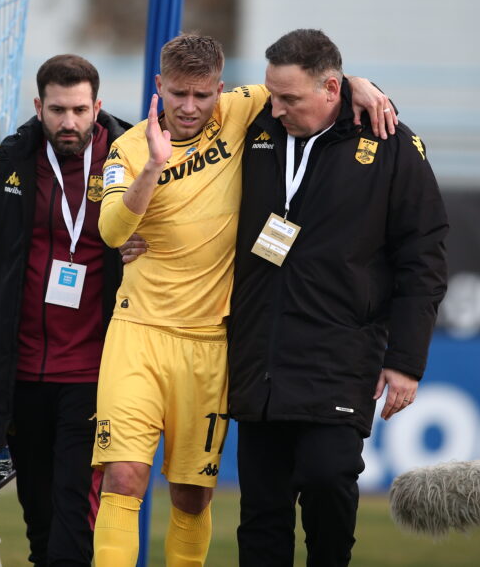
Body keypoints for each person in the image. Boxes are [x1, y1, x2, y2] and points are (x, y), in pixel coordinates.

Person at [93, 34, 395, 567]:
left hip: (212, 345)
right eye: (179, 94)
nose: (190, 108)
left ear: (222, 90)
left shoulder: (244, 110)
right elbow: (114, 230)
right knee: (123, 477)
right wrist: (151, 171)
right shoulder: (131, 147)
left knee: (191, 495)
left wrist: (359, 85)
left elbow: (310, 83)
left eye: (202, 95)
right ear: (158, 86)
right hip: (137, 333)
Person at [228, 29, 449, 565]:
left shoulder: (391, 143)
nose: (275, 109)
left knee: (328, 480)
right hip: (261, 354)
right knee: (261, 513)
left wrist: (405, 362)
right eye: (271, 94)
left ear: (331, 91)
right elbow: (183, 116)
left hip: (339, 353)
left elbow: (425, 258)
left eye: (290, 99)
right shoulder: (256, 126)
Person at [0, 54, 130, 567]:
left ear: (96, 105)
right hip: (21, 369)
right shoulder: (9, 160)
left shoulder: (131, 157)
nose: (68, 122)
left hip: (95, 370)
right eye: (57, 109)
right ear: (39, 106)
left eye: (78, 109)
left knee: (73, 513)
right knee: (38, 516)